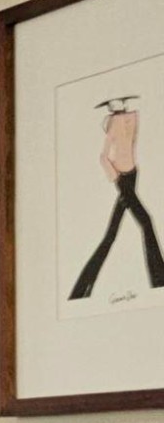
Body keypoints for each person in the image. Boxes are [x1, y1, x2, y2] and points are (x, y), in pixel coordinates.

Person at [71, 95, 164, 302]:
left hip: (132, 174)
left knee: (112, 234)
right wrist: (117, 180)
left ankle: (82, 289)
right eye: (110, 104)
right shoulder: (115, 123)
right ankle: (160, 280)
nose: (115, 105)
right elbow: (103, 157)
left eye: (118, 101)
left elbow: (131, 134)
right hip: (123, 178)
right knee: (145, 222)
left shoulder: (130, 118)